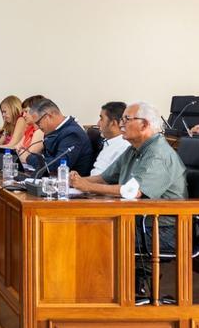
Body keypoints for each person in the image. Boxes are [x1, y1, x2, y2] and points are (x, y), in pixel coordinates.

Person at [69, 101, 187, 301]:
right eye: (122, 119)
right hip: (139, 222)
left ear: (145, 124)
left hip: (161, 229)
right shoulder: (134, 148)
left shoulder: (158, 153)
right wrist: (71, 181)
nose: (121, 124)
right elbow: (105, 177)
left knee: (94, 233)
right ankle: (97, 292)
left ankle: (101, 295)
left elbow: (133, 192)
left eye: (127, 119)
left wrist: (86, 187)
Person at [17, 98, 94, 175]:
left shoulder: (72, 134)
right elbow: (47, 158)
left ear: (48, 116)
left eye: (38, 123)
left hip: (70, 184)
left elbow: (58, 166)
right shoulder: (55, 131)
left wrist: (28, 158)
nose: (37, 127)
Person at [90, 101, 131, 176]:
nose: (98, 124)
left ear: (113, 123)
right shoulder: (109, 142)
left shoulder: (123, 148)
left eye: (101, 119)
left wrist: (81, 182)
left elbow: (107, 181)